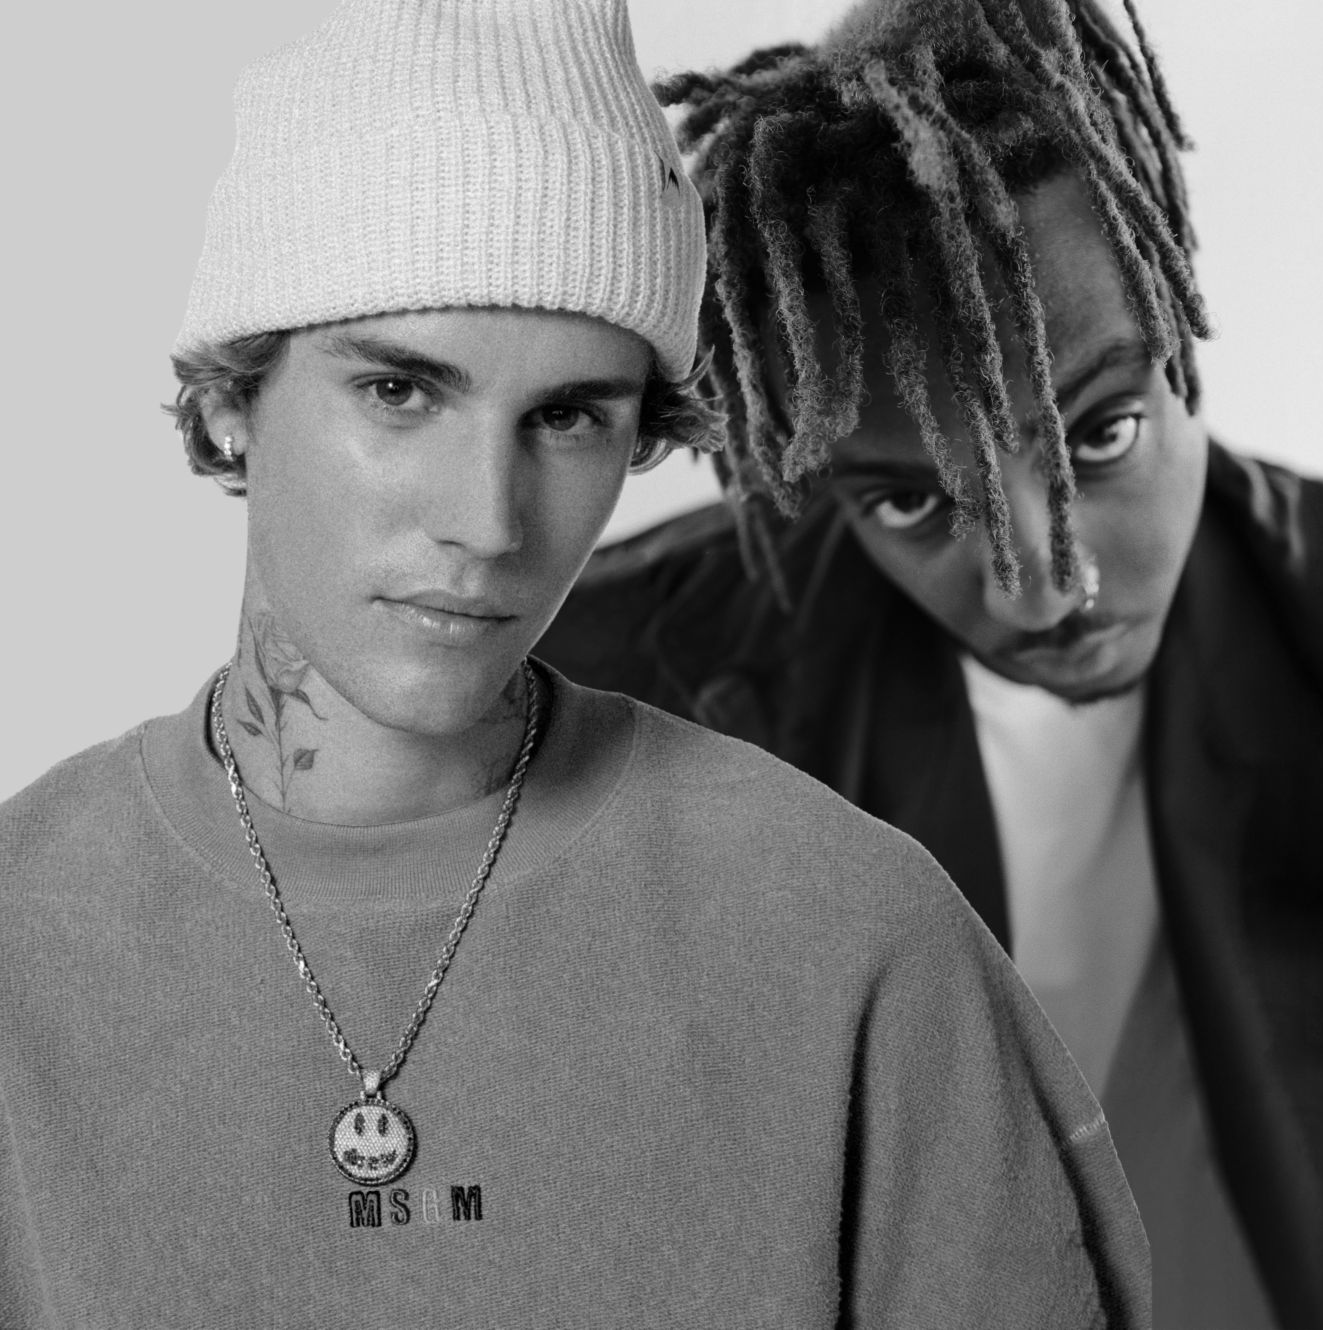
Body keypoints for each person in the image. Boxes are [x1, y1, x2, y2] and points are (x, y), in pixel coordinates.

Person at [0, 1, 1155, 1325]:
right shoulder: (24, 934)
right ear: (227, 403)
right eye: (399, 392)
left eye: (567, 417)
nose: (488, 520)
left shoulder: (846, 941)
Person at [538, 0, 1323, 1327]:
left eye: (1101, 435)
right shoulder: (607, 700)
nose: (1045, 583)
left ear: (1179, 318)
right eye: (914, 502)